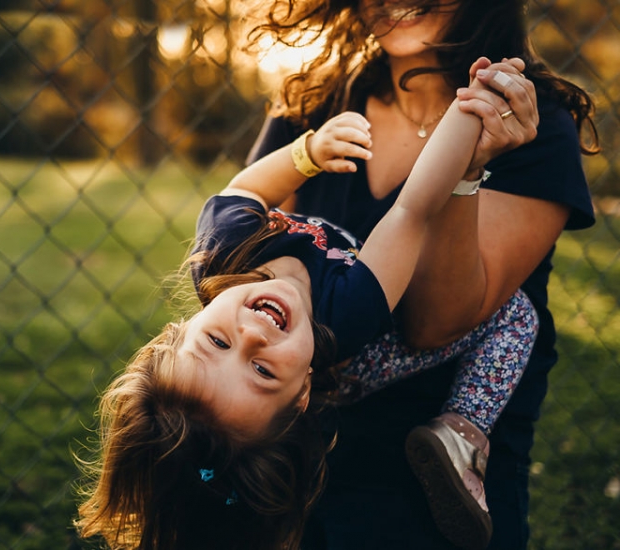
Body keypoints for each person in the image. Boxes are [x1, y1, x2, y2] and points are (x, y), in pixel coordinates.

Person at [75, 84, 538, 550]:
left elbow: (246, 189)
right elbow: (411, 208)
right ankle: (463, 430)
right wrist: (468, 117)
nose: (253, 335)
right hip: (360, 363)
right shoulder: (349, 313)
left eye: (217, 342)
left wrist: (308, 152)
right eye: (261, 370)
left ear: (181, 329)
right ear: (302, 395)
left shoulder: (223, 250)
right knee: (517, 314)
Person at [245, 0, 597, 548]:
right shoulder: (313, 98)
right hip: (286, 452)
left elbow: (435, 325)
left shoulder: (532, 125)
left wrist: (466, 170)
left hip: (431, 492)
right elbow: (243, 232)